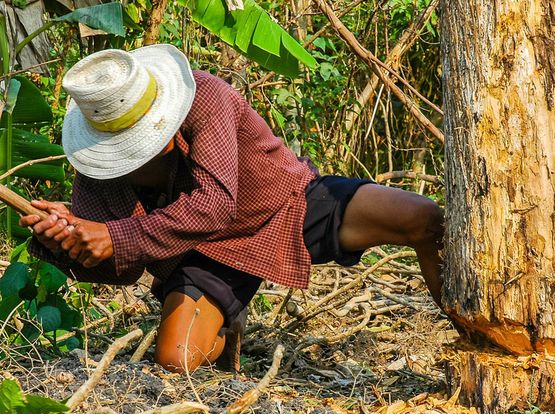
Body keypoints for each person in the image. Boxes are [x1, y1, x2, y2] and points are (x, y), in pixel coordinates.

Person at [20, 44, 444, 373]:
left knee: (426, 221)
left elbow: (213, 205)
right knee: (175, 360)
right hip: (201, 252)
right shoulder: (95, 161)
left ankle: (480, 332)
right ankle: (225, 324)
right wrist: (68, 242)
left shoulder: (207, 97)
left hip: (284, 205)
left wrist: (112, 236)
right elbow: (125, 268)